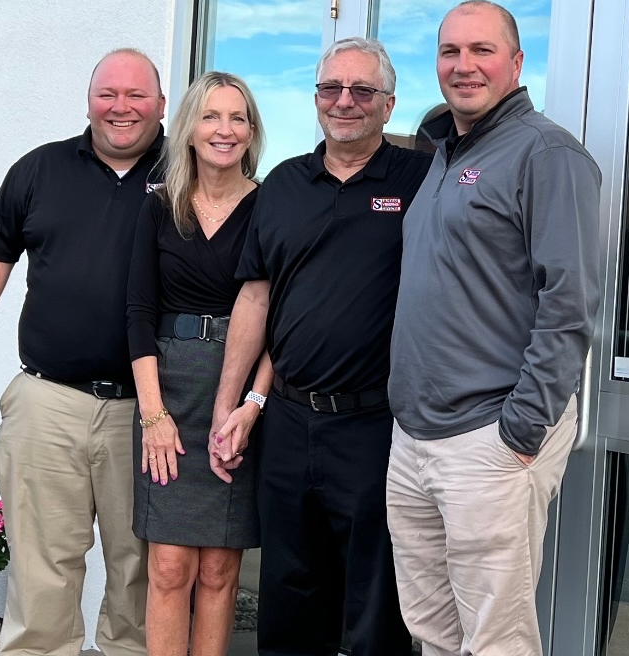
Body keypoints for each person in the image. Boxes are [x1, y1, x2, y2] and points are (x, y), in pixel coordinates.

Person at [386, 2, 601, 655]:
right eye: (450, 52)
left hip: (489, 439)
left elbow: (570, 302)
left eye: (482, 50)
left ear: (516, 61)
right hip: (416, 437)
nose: (464, 65)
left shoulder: (546, 153)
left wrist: (522, 429)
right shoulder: (443, 155)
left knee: (495, 638)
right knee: (432, 630)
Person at [0, 49, 165, 656]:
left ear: (162, 105)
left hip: (149, 413)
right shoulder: (40, 169)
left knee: (139, 571)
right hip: (48, 402)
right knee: (41, 573)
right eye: (108, 94)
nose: (121, 107)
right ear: (89, 100)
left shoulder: (191, 171)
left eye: (137, 95)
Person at [210, 37, 432, 656]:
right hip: (285, 419)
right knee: (288, 587)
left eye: (363, 90)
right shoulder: (282, 184)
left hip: (374, 425)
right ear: (315, 99)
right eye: (331, 88)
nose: (345, 101)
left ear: (388, 106)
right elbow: (256, 299)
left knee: (373, 599)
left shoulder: (421, 181)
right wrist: (231, 409)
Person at [125, 71, 269, 656]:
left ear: (252, 132)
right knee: (168, 568)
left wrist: (252, 406)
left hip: (238, 397)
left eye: (238, 118)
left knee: (217, 572)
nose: (224, 130)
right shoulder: (159, 207)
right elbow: (136, 312)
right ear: (188, 129)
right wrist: (153, 415)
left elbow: (279, 317)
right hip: (170, 387)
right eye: (211, 116)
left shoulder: (270, 205)